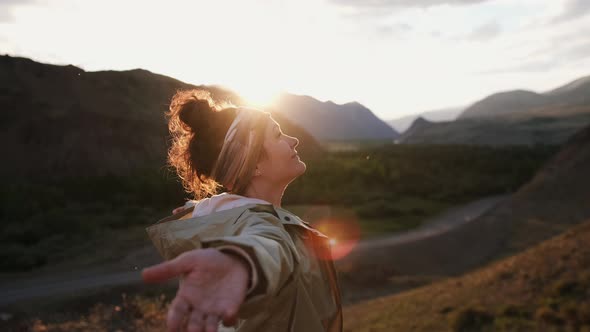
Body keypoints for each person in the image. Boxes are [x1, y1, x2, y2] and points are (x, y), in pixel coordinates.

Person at [141, 89, 342, 332]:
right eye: (278, 134)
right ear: (253, 163)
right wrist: (242, 262)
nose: (294, 140)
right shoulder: (259, 225)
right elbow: (266, 246)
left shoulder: (227, 217)